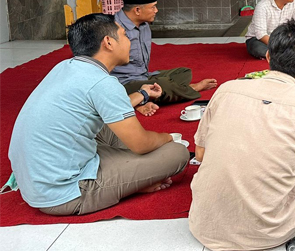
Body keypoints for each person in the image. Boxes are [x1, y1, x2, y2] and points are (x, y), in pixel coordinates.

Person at [189, 20, 295, 251]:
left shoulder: (226, 89)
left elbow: (201, 153)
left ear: (267, 58)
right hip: (269, 231)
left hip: (204, 223)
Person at [8, 13, 189, 216]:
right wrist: (167, 138)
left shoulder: (65, 67)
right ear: (109, 42)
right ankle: (133, 182)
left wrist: (143, 94)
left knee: (106, 125)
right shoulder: (102, 83)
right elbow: (142, 144)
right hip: (64, 193)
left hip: (36, 179)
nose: (129, 41)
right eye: (125, 35)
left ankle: (133, 174)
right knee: (176, 153)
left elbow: (105, 107)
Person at [111, 0, 217, 115]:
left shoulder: (144, 25)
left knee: (184, 73)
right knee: (165, 84)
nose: (156, 10)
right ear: (137, 10)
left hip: (143, 76)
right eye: (152, 7)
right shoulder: (112, 29)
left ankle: (147, 96)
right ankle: (192, 88)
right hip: (123, 84)